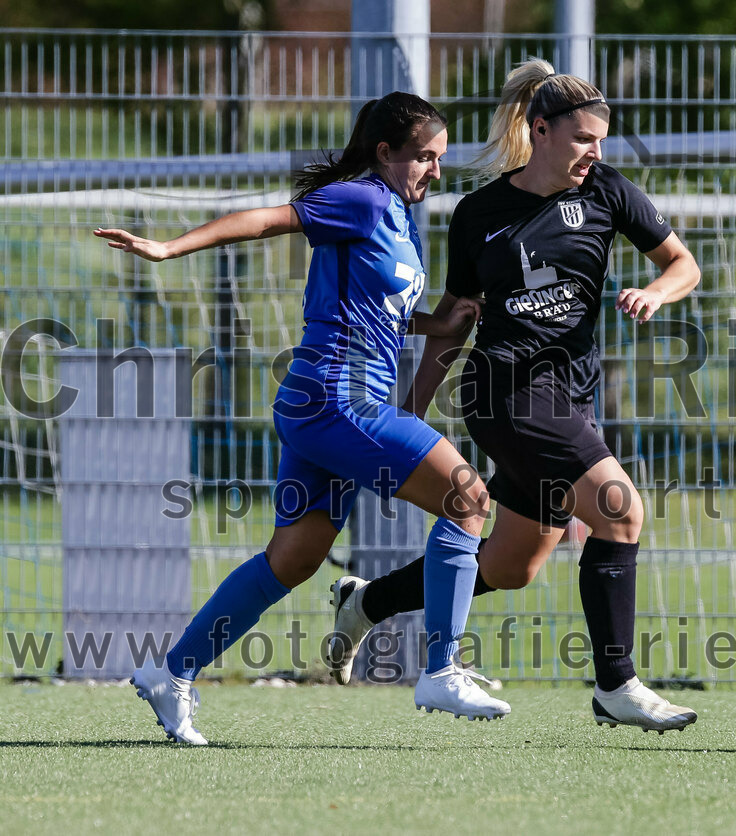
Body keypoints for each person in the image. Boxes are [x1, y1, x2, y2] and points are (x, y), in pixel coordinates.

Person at [94, 92, 510, 744]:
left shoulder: (398, 219)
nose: (435, 171)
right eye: (425, 157)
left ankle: (171, 673)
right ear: (384, 153)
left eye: (440, 159)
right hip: (335, 398)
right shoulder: (364, 197)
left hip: (322, 405)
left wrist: (440, 322)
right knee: (468, 497)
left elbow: (380, 313)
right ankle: (441, 669)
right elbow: (265, 221)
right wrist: (169, 250)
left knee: (294, 558)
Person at [328, 59, 703, 732]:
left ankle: (367, 602)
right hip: (505, 391)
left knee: (512, 564)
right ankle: (618, 685)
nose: (596, 152)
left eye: (601, 140)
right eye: (584, 138)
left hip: (570, 396)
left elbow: (684, 264)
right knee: (621, 511)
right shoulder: (479, 214)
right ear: (542, 131)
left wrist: (654, 293)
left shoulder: (609, 193)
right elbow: (454, 318)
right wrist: (412, 406)